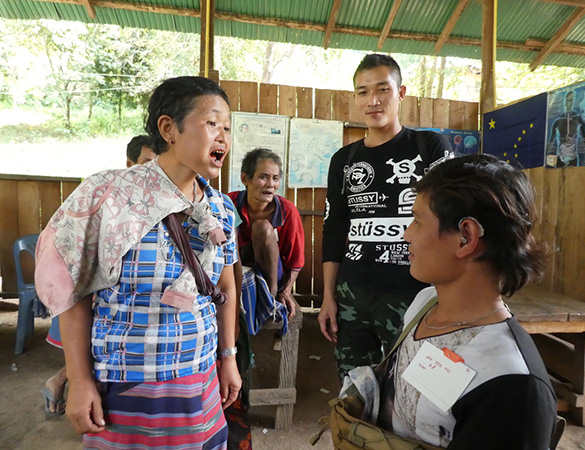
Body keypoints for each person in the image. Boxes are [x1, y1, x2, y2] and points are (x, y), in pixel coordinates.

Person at [35, 76, 241, 449]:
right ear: (169, 128)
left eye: (228, 127)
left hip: (199, 384)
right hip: (124, 387)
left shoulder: (221, 208)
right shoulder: (108, 194)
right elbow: (72, 291)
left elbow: (225, 288)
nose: (223, 136)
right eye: (212, 123)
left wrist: (228, 358)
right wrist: (80, 381)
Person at [377, 154, 557, 449]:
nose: (406, 234)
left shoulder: (512, 384)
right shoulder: (425, 302)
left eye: (417, 221)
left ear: (466, 237)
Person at [318, 53, 453, 379]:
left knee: (414, 387)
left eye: (383, 89)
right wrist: (327, 298)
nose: (373, 100)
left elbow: (451, 221)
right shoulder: (344, 160)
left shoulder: (429, 147)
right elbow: (334, 229)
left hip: (414, 295)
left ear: (401, 93)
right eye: (363, 91)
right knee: (354, 389)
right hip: (352, 297)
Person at [41, 135, 159, 416]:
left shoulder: (158, 203)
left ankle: (63, 382)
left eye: (158, 165)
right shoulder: (106, 197)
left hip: (120, 298)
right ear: (129, 164)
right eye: (145, 164)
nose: (152, 173)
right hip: (95, 294)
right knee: (89, 345)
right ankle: (65, 382)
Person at [228, 148, 304, 320]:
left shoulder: (287, 211)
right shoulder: (229, 203)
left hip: (272, 275)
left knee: (262, 227)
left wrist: (285, 291)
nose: (271, 184)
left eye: (275, 178)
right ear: (245, 179)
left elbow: (295, 261)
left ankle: (270, 300)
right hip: (238, 271)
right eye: (263, 177)